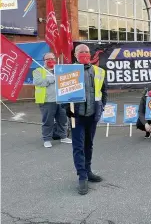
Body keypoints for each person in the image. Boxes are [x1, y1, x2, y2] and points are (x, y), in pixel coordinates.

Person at [65, 44, 108, 195]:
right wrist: (66, 110)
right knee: (78, 147)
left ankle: (88, 171)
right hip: (76, 117)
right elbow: (62, 95)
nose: (84, 54)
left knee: (89, 145)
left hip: (92, 116)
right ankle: (82, 176)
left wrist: (101, 108)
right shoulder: (67, 71)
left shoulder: (98, 71)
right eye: (81, 52)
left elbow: (103, 92)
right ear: (75, 54)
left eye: (86, 52)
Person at [33, 52, 71, 148]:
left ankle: (63, 136)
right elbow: (37, 82)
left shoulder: (60, 70)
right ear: (44, 61)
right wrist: (51, 79)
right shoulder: (38, 70)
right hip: (47, 101)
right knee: (48, 121)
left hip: (61, 100)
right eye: (48, 59)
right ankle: (47, 139)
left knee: (62, 120)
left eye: (52, 58)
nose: (50, 60)